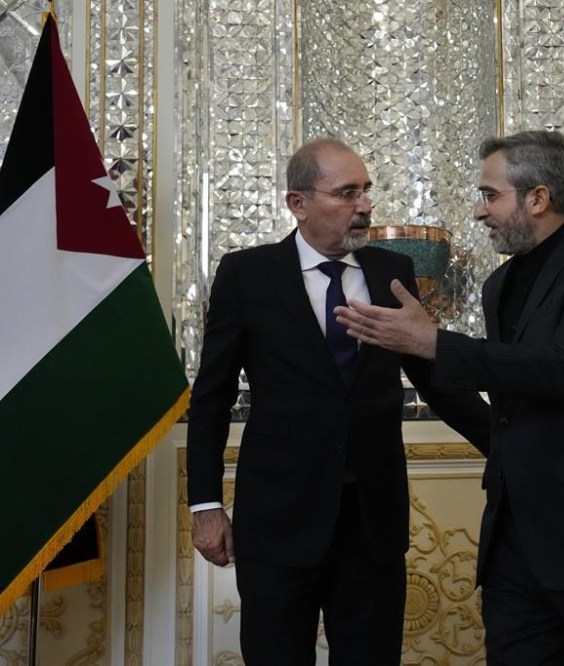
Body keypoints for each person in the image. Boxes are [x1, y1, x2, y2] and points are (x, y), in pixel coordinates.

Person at [336, 130, 564, 665]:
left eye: (490, 195)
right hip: (514, 544)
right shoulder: (499, 285)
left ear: (537, 198)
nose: (479, 211)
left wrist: (434, 341)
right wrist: (413, 353)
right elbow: (507, 414)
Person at [186, 138, 490, 665]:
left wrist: (507, 443)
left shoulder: (389, 270)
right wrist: (206, 505)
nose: (365, 206)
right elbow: (210, 397)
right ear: (297, 204)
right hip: (278, 521)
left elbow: (433, 376)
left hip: (371, 521)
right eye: (347, 193)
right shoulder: (247, 275)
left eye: (366, 191)